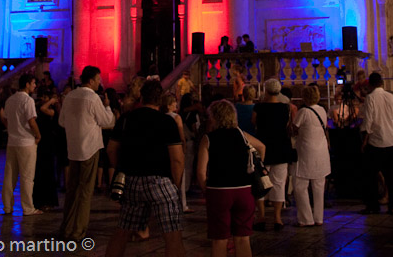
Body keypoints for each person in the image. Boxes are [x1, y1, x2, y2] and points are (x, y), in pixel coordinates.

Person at [105, 79, 185, 257]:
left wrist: (121, 167)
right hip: (160, 181)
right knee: (172, 236)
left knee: (122, 232)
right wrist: (175, 185)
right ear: (161, 99)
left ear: (141, 96)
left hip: (132, 180)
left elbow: (111, 149)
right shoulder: (166, 122)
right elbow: (177, 159)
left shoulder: (126, 119)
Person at [197, 99, 265, 257]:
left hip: (219, 190)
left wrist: (205, 189)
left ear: (214, 117)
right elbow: (262, 147)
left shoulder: (208, 139)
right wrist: (257, 167)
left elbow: (201, 172)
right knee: (242, 239)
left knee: (220, 240)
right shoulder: (242, 135)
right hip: (244, 190)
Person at [59, 65, 115, 241]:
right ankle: (78, 231)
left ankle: (66, 228)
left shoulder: (69, 97)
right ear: (91, 81)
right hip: (89, 148)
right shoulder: (92, 98)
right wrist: (107, 107)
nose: (100, 83)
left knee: (72, 191)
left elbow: (62, 121)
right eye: (98, 80)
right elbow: (107, 122)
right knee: (85, 192)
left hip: (73, 148)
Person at [252, 78, 293, 230]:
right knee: (279, 183)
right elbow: (287, 124)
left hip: (264, 146)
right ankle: (277, 217)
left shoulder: (260, 107)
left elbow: (254, 122)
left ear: (266, 90)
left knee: (261, 181)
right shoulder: (284, 108)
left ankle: (261, 215)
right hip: (280, 146)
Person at [1, 74, 42, 215]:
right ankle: (28, 207)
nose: (35, 85)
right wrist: (38, 135)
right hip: (26, 142)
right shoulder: (28, 100)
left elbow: (5, 118)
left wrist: (12, 129)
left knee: (9, 175)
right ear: (27, 84)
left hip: (12, 141)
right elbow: (31, 121)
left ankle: (7, 206)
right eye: (33, 83)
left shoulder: (10, 99)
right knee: (27, 176)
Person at [360, 72, 393, 215]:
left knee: (371, 175)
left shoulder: (370, 98)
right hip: (392, 139)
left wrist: (365, 138)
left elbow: (368, 121)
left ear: (370, 84)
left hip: (377, 141)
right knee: (391, 176)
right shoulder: (390, 96)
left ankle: (373, 205)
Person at [292, 85, 330, 226]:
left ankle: (306, 218)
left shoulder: (303, 112)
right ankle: (319, 218)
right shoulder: (322, 110)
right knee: (319, 185)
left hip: (306, 151)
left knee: (301, 185)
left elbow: (294, 128)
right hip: (321, 151)